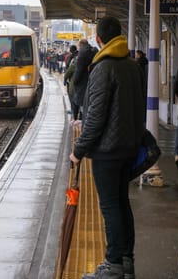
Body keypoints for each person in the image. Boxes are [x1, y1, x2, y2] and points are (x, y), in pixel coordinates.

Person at [70, 16, 145, 279]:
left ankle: (113, 265)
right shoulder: (133, 66)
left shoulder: (103, 68)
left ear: (99, 39)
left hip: (107, 151)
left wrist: (78, 150)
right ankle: (126, 261)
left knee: (111, 206)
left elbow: (95, 117)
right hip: (128, 148)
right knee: (122, 204)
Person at [71, 39, 97, 121]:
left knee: (79, 103)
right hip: (93, 82)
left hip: (83, 83)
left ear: (81, 45)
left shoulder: (82, 54)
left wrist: (74, 81)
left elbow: (78, 71)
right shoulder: (94, 51)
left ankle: (77, 121)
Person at [64, 45, 79, 121]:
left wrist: (65, 79)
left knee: (71, 95)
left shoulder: (72, 58)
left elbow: (68, 69)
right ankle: (75, 112)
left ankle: (74, 113)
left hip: (72, 81)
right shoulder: (80, 56)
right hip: (79, 82)